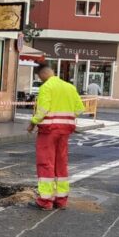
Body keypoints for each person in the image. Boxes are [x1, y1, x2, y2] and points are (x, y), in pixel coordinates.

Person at [27, 63, 85, 210]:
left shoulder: (46, 87)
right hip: (65, 131)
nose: (40, 80)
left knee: (46, 163)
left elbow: (43, 109)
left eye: (39, 77)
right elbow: (80, 109)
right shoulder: (69, 87)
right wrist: (66, 119)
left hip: (49, 131)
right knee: (61, 163)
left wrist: (33, 122)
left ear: (43, 74)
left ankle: (45, 201)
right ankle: (61, 200)